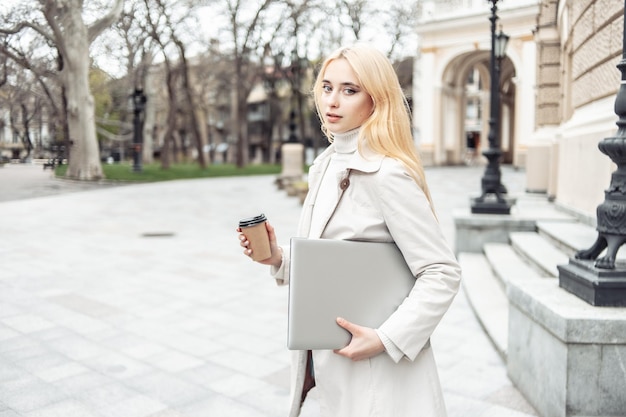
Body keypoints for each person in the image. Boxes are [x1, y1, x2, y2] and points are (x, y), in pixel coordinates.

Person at [237, 44, 461, 417]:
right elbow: (335, 262)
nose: (333, 101)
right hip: (327, 362)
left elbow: (442, 272)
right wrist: (278, 256)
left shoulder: (387, 174)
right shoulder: (325, 165)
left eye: (350, 90)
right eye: (326, 87)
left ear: (376, 100)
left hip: (378, 374)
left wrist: (385, 338)